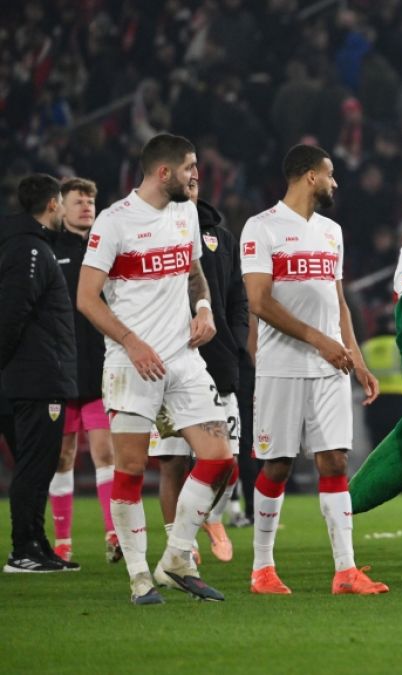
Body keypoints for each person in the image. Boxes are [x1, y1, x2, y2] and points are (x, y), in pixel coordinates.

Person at [77, 134, 232, 604]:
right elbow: (86, 297)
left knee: (219, 458)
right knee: (130, 468)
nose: (196, 175)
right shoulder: (115, 221)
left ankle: (177, 558)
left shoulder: (186, 211)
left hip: (183, 357)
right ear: (163, 172)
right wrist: (130, 341)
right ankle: (140, 576)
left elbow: (192, 269)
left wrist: (203, 306)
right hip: (131, 363)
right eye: (189, 167)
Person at [240, 144, 386, 596]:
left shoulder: (331, 232)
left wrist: (355, 358)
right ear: (309, 177)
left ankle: (346, 570)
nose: (335, 182)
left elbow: (338, 301)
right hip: (282, 365)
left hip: (331, 367)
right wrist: (319, 340)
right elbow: (259, 302)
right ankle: (262, 569)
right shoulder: (261, 228)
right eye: (330, 174)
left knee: (334, 459)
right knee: (278, 464)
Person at [150, 181, 248, 564]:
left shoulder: (220, 236)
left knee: (228, 462)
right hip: (170, 363)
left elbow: (238, 295)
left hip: (219, 360)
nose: (189, 186)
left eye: (194, 180)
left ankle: (209, 516)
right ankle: (181, 545)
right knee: (173, 460)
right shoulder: (150, 234)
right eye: (182, 178)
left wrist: (236, 339)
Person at [0, 174, 80, 573]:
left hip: (38, 375)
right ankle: (23, 550)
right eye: (63, 203)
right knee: (34, 465)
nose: (66, 210)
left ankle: (37, 543)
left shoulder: (31, 246)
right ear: (52, 205)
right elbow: (14, 312)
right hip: (34, 378)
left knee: (41, 464)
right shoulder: (30, 249)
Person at [46, 177, 121, 564]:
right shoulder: (49, 250)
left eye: (91, 200)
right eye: (78, 201)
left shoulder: (106, 248)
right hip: (60, 370)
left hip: (99, 369)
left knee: (106, 451)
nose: (86, 207)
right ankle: (63, 542)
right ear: (61, 206)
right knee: (62, 455)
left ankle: (113, 534)